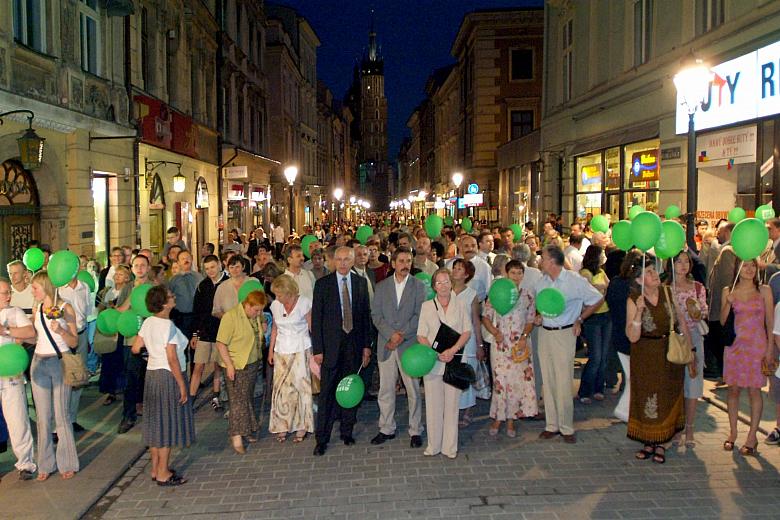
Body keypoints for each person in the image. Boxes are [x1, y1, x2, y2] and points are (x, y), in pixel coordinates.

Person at [535, 245, 603, 443]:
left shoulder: (574, 280)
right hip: (545, 332)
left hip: (564, 332)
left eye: (543, 258)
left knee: (564, 380)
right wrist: (539, 316)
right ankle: (551, 424)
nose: (540, 261)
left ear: (552, 261)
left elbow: (597, 299)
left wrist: (580, 319)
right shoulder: (542, 282)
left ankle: (566, 426)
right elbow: (542, 305)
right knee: (548, 379)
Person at [625, 255, 688, 464]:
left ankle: (662, 442)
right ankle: (648, 441)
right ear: (639, 279)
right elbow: (632, 336)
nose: (654, 275)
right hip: (645, 355)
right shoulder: (634, 300)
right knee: (646, 396)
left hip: (668, 353)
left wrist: (690, 349)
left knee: (667, 394)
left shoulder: (668, 292)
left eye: (654, 270)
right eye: (649, 272)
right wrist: (639, 313)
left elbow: (681, 322)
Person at [311, 247, 372, 456]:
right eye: (339, 259)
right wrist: (318, 349)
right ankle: (322, 438)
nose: (343, 263)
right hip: (330, 349)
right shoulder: (322, 285)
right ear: (333, 261)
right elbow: (317, 319)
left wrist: (366, 346)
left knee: (350, 390)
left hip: (354, 348)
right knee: (327, 394)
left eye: (347, 259)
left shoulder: (360, 283)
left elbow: (365, 317)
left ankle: (347, 431)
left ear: (353, 261)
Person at [132, 285, 194, 486]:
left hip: (152, 375)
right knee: (167, 424)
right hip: (168, 376)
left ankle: (155, 468)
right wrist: (182, 385)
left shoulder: (148, 322)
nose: (174, 297)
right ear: (164, 303)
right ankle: (163, 473)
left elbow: (136, 348)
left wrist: (152, 353)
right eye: (170, 296)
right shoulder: (168, 326)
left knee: (155, 423)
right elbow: (172, 358)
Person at [369, 247, 427, 447]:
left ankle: (415, 430)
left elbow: (420, 315)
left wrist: (401, 335)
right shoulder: (381, 286)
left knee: (413, 391)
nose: (405, 265)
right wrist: (390, 335)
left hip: (409, 347)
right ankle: (386, 428)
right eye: (401, 261)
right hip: (386, 345)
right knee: (385, 390)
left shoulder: (419, 286)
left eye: (408, 261)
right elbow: (376, 315)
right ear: (393, 263)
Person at [416, 268, 472, 458]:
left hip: (454, 361)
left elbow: (467, 331)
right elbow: (421, 335)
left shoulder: (461, 304)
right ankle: (433, 446)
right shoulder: (427, 306)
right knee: (433, 407)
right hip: (433, 362)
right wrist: (435, 353)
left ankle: (450, 447)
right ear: (434, 286)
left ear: (451, 283)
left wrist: (453, 350)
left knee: (452, 406)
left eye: (446, 281)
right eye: (439, 282)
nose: (443, 286)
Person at [720, 259, 773, 455]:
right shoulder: (728, 290)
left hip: (757, 347)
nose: (749, 269)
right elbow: (722, 320)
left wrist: (769, 350)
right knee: (733, 390)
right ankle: (733, 433)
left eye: (752, 265)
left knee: (754, 391)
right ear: (737, 268)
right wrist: (728, 302)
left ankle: (752, 437)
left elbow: (770, 322)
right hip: (735, 347)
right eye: (745, 265)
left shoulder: (764, 291)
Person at [29, 271, 79, 480]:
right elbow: (35, 336)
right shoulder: (37, 308)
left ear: (46, 287)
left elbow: (74, 341)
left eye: (35, 288)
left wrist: (60, 331)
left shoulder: (66, 308)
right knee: (42, 418)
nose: (32, 292)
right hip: (39, 362)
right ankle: (45, 464)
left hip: (60, 362)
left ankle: (67, 462)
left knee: (61, 416)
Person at [481, 260, 537, 437]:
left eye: (520, 273)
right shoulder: (497, 292)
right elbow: (486, 317)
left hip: (520, 344)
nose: (516, 276)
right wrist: (495, 332)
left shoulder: (528, 295)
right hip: (500, 344)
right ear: (506, 274)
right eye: (513, 272)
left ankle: (511, 419)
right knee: (500, 381)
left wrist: (524, 336)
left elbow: (530, 320)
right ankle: (498, 417)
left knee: (516, 382)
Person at [664, 250, 707, 447]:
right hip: (674, 338)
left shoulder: (697, 287)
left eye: (686, 262)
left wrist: (697, 311)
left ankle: (689, 428)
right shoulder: (666, 288)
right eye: (678, 261)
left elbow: (704, 312)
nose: (683, 265)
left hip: (695, 337)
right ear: (671, 265)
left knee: (693, 382)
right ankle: (675, 427)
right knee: (674, 384)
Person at [215, 290, 267, 453]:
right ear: (247, 305)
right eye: (256, 310)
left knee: (246, 398)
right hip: (236, 364)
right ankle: (236, 435)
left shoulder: (255, 317)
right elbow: (221, 343)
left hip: (251, 363)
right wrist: (229, 365)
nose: (258, 313)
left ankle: (246, 429)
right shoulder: (231, 317)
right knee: (237, 402)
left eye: (260, 310)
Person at [268, 276, 314, 443]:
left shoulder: (304, 303)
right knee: (281, 390)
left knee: (302, 388)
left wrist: (317, 352)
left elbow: (312, 327)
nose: (277, 297)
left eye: (279, 294)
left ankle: (303, 426)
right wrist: (271, 351)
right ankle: (282, 425)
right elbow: (274, 328)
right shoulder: (275, 305)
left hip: (301, 349)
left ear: (289, 292)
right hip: (281, 351)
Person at [0, 279, 37, 480]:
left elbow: (30, 333)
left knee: (17, 419)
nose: (8, 296)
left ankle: (25, 463)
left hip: (10, 375)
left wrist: (6, 330)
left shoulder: (14, 312)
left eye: (9, 292)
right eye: (4, 293)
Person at [117, 254, 153, 434]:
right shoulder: (127, 288)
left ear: (148, 267)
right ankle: (128, 415)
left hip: (152, 340)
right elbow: (120, 311)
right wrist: (134, 296)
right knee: (131, 379)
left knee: (151, 379)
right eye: (136, 265)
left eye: (143, 265)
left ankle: (153, 415)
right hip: (131, 340)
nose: (139, 268)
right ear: (131, 269)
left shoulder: (154, 288)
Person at [605, 250, 643, 422]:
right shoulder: (635, 289)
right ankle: (626, 410)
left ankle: (627, 408)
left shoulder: (615, 283)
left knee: (629, 372)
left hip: (619, 331)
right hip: (631, 332)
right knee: (633, 374)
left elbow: (609, 302)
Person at [190, 255, 227, 406]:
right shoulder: (202, 286)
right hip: (204, 332)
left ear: (219, 265)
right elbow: (197, 311)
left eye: (212, 267)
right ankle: (191, 398)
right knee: (198, 365)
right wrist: (195, 334)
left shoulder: (227, 283)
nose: (210, 271)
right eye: (207, 269)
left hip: (221, 332)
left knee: (218, 365)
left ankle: (216, 395)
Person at [450, 259, 483, 427]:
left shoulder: (471, 294)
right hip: (449, 339)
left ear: (466, 274)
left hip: (467, 340)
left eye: (459, 269)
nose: (455, 271)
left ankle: (468, 411)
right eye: (454, 268)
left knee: (466, 373)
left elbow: (476, 321)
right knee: (451, 376)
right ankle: (453, 409)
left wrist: (479, 345)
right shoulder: (446, 291)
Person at [577, 245, 612, 404]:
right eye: (601, 254)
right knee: (595, 356)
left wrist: (602, 288)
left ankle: (599, 388)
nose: (603, 256)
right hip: (593, 317)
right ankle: (585, 390)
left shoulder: (601, 272)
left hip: (606, 314)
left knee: (603, 356)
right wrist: (601, 288)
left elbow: (607, 286)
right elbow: (589, 291)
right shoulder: (585, 273)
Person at [96, 265, 132, 406]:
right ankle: (110, 391)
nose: (117, 276)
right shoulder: (108, 291)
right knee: (108, 359)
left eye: (121, 274)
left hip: (121, 329)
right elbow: (101, 307)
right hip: (108, 329)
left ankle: (121, 388)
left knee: (120, 359)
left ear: (127, 278)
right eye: (116, 274)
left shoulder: (127, 291)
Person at [705, 222, 736, 383]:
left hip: (721, 305)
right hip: (721, 304)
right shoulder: (729, 250)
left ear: (728, 232)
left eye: (721, 231)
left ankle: (725, 373)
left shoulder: (728, 251)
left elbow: (726, 280)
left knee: (718, 339)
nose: (718, 233)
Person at [168, 250, 203, 343]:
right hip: (181, 318)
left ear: (192, 259)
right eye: (183, 259)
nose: (186, 260)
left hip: (197, 317)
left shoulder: (199, 277)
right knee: (182, 344)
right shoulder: (173, 280)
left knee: (196, 345)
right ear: (178, 262)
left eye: (188, 258)